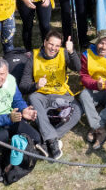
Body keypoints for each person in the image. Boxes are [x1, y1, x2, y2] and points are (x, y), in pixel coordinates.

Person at [0, 58, 42, 184]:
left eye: (2, 74)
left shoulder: (11, 79)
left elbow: (17, 99)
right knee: (2, 135)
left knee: (36, 137)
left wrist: (24, 110)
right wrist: (8, 118)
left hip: (11, 118)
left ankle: (10, 153)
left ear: (7, 73)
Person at [23, 30, 81, 159]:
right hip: (42, 96)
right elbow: (23, 86)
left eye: (57, 46)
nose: (53, 48)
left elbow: (77, 68)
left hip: (61, 94)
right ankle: (52, 141)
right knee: (33, 98)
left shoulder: (64, 53)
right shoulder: (33, 56)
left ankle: (48, 140)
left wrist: (71, 52)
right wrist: (36, 85)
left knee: (78, 109)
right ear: (45, 42)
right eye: (51, 44)